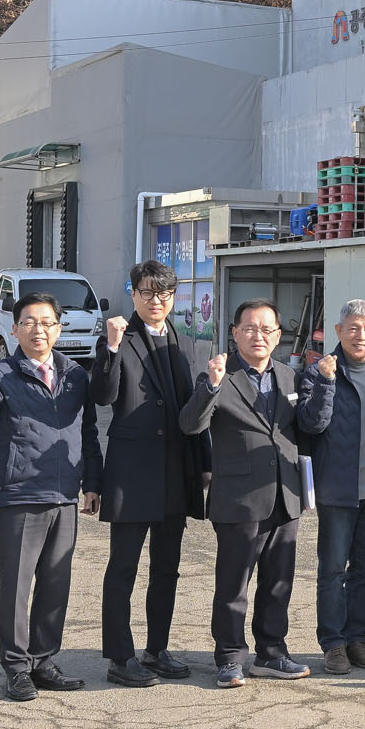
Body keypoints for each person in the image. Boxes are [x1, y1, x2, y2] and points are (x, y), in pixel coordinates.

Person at [0, 292, 99, 701]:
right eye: (30, 322)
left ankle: (44, 661)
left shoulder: (74, 375)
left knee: (56, 585)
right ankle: (17, 667)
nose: (39, 330)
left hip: (64, 495)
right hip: (18, 495)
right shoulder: (1, 371)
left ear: (59, 328)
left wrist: (93, 483)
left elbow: (87, 431)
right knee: (16, 587)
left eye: (47, 322)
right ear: (15, 329)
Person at [180, 299, 316, 687]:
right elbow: (190, 425)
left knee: (278, 582)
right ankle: (230, 657)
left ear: (278, 335)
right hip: (238, 498)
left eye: (267, 329)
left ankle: (272, 653)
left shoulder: (289, 376)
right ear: (235, 333)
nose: (259, 336)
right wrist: (211, 385)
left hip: (285, 494)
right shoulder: (220, 375)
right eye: (250, 328)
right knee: (233, 584)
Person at [87, 260, 210, 688]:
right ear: (133, 294)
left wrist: (205, 464)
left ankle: (157, 649)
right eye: (146, 292)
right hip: (132, 472)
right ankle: (120, 657)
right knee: (123, 568)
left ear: (173, 297)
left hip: (175, 469)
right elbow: (103, 396)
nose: (155, 300)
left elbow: (195, 406)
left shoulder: (183, 340)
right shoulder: (120, 337)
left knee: (166, 569)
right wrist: (111, 348)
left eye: (164, 293)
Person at [299, 299, 365, 675]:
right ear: (338, 331)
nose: (361, 335)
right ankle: (333, 644)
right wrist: (326, 382)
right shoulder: (318, 371)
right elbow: (311, 424)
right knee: (332, 570)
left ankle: (357, 639)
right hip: (337, 491)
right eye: (353, 328)